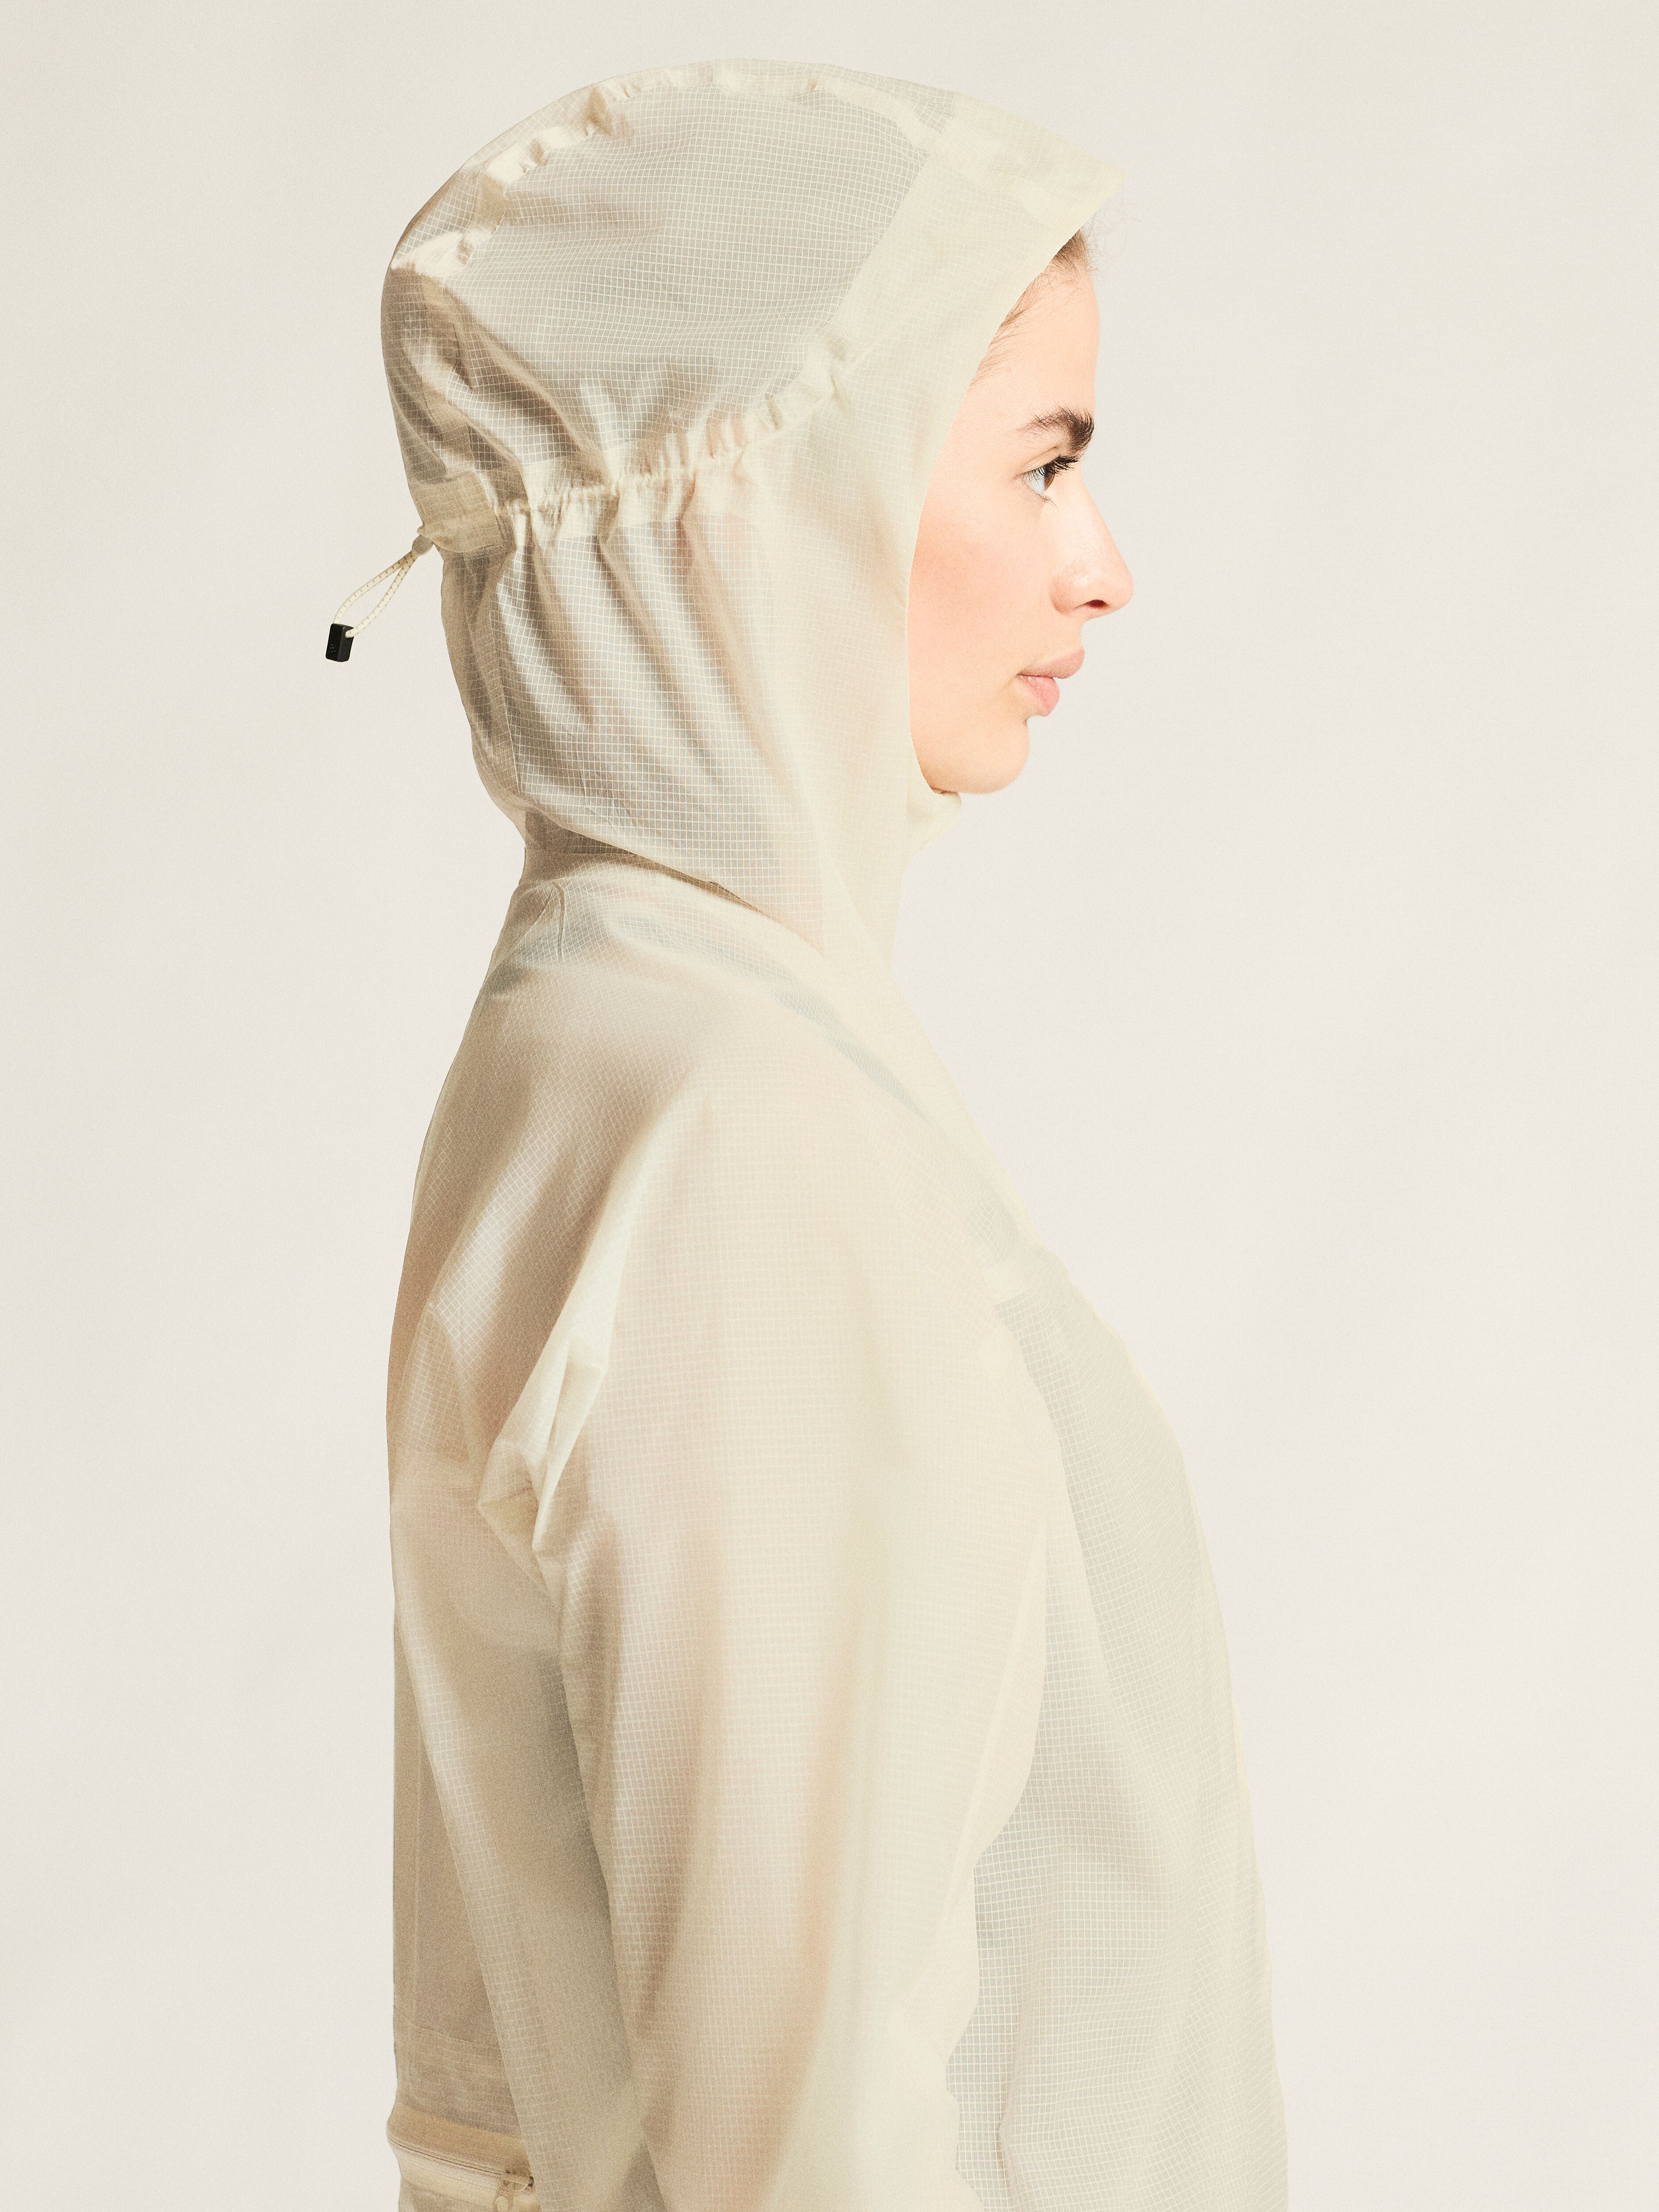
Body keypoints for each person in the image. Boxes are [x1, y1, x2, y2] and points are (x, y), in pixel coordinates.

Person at [371, 58, 1286, 2212]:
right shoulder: (730, 1120)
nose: (1099, 568)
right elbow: (794, 2126)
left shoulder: (612, 1031)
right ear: (779, 496)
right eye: (1041, 464)